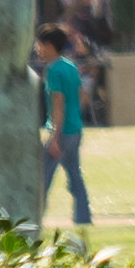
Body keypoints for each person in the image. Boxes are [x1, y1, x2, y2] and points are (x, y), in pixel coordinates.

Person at [37, 30, 97, 224]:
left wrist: (54, 137)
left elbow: (58, 103)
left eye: (39, 45)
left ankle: (33, 217)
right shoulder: (70, 66)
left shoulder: (53, 70)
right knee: (75, 177)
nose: (37, 49)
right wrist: (75, 117)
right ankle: (83, 218)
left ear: (49, 46)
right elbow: (82, 95)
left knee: (42, 177)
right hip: (76, 129)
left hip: (62, 133)